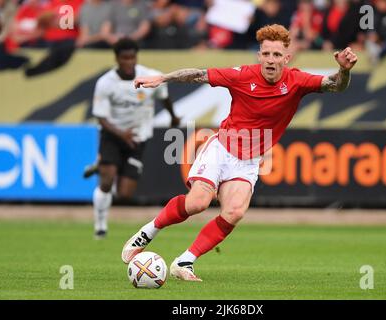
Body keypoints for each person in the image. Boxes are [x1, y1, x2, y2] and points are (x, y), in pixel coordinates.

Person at [122, 24, 357, 281]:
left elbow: (335, 86)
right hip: (221, 148)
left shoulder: (297, 81)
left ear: (286, 58)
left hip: (248, 161)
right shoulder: (242, 75)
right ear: (259, 55)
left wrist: (343, 71)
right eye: (266, 54)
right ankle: (147, 232)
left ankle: (184, 261)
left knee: (235, 212)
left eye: (277, 55)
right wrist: (163, 78)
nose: (270, 60)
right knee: (198, 203)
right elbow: (198, 75)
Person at [91, 37, 179, 239]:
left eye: (132, 57)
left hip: (138, 137)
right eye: (124, 58)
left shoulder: (150, 76)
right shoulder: (105, 83)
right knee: (106, 181)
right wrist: (121, 134)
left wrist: (173, 117)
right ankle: (100, 225)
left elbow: (164, 97)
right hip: (113, 135)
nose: (129, 62)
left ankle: (105, 164)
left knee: (125, 194)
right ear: (117, 58)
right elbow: (101, 117)